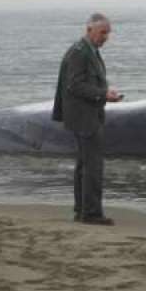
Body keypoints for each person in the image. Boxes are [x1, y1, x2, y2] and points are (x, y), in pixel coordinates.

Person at [52, 13, 124, 225]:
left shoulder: (88, 51)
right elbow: (74, 85)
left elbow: (83, 83)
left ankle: (81, 210)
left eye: (108, 33)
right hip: (84, 118)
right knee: (92, 166)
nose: (106, 37)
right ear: (89, 30)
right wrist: (103, 95)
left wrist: (104, 93)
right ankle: (91, 214)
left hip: (87, 114)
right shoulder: (80, 53)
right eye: (103, 32)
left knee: (84, 165)